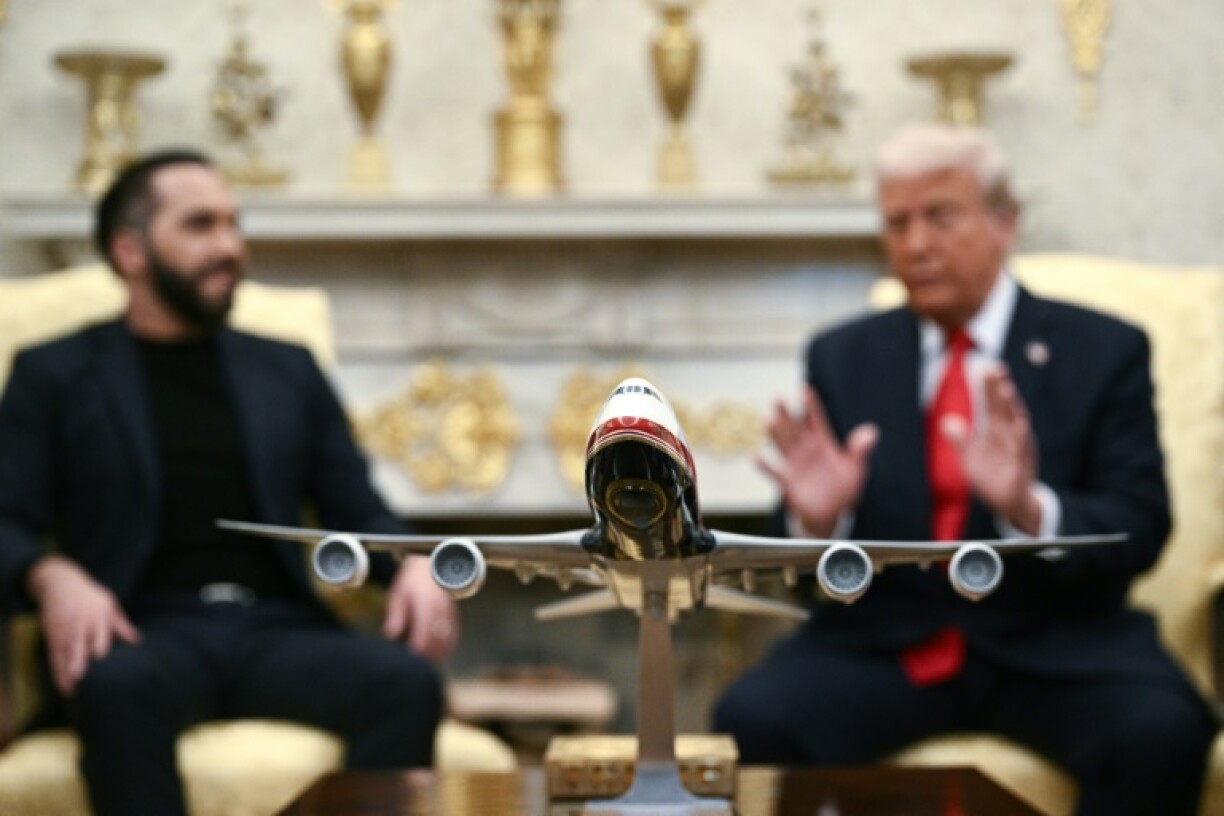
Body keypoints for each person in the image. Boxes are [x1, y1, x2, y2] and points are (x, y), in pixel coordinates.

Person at [714, 124, 1217, 815]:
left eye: (941, 216)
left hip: (1058, 645)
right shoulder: (842, 357)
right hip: (885, 648)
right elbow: (798, 569)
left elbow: (1140, 526)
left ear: (1004, 222)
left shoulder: (1103, 350)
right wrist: (821, 518)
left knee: (1160, 734)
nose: (916, 244)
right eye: (897, 223)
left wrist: (1026, 506)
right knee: (751, 718)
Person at [0, 150, 458, 816]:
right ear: (130, 250)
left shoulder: (285, 370)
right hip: (136, 632)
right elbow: (4, 520)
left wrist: (415, 563)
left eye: (234, 226)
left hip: (275, 630)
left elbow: (358, 512)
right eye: (201, 225)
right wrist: (52, 577)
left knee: (404, 684)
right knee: (115, 688)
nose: (230, 247)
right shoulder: (55, 374)